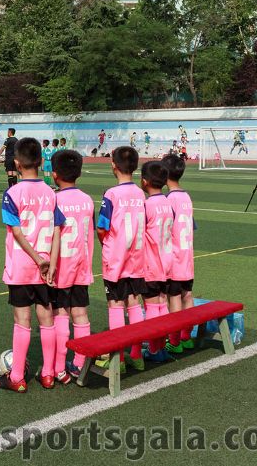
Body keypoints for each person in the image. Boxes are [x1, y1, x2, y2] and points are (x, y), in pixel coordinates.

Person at [0, 137, 65, 392]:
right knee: (47, 318)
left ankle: (17, 378)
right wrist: (50, 264)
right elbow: (57, 230)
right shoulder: (51, 193)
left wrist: (37, 259)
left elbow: (17, 232)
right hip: (45, 270)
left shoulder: (12, 193)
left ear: (16, 163)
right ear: (41, 161)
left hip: (22, 267)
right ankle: (48, 374)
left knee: (22, 320)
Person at [44, 149, 94, 383]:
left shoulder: (54, 200)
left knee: (60, 314)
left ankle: (59, 366)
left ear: (54, 174)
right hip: (82, 266)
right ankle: (80, 363)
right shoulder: (87, 200)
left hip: (61, 267)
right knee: (80, 314)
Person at [96, 146, 147, 372]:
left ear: (113, 166)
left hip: (116, 260)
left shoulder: (111, 194)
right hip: (136, 259)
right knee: (134, 303)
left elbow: (101, 227)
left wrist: (106, 245)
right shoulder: (140, 194)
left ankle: (119, 359)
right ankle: (136, 354)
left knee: (115, 304)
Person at [163, 153, 197, 354]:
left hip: (174, 257)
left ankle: (174, 341)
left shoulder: (169, 199)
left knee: (174, 297)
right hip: (187, 256)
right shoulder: (186, 196)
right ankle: (187, 336)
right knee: (187, 295)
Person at [140, 160, 174, 362]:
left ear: (144, 181)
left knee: (152, 305)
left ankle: (154, 349)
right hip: (166, 262)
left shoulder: (147, 205)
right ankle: (160, 346)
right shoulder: (168, 203)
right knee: (162, 302)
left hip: (151, 263)